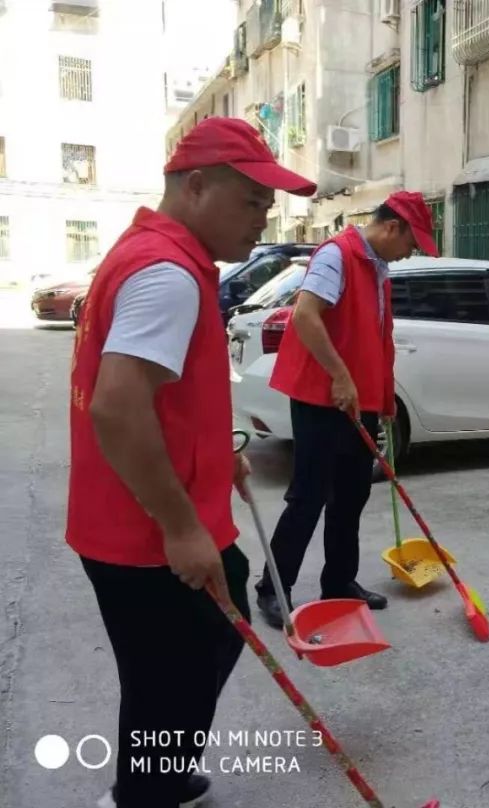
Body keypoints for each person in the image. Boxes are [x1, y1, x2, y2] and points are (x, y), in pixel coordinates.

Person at [67, 117, 316, 808]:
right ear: (198, 184)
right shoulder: (167, 274)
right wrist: (179, 525)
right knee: (165, 682)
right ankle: (144, 793)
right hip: (145, 534)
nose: (262, 221)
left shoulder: (151, 253)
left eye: (270, 207)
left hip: (142, 516)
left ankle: (162, 774)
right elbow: (116, 408)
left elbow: (168, 392)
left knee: (203, 635)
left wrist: (217, 455)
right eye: (252, 202)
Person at [254, 192, 439, 628]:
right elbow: (305, 316)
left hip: (361, 399)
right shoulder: (336, 255)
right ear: (392, 228)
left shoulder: (379, 269)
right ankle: (273, 589)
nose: (410, 254)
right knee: (308, 496)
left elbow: (376, 336)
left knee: (352, 495)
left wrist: (385, 393)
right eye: (412, 244)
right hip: (322, 398)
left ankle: (339, 582)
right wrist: (339, 375)